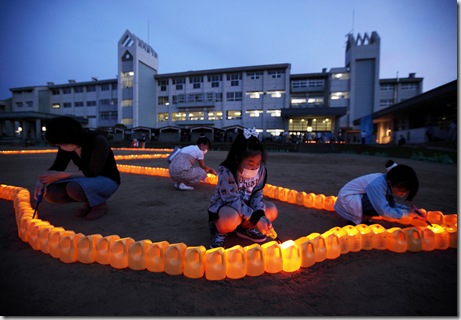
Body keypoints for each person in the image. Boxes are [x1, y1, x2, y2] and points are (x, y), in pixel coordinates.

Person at [33, 116, 121, 220]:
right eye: (58, 144)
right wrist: (41, 181)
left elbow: (93, 172)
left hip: (107, 179)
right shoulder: (66, 146)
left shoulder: (97, 141)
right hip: (86, 179)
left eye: (62, 143)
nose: (61, 147)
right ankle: (89, 203)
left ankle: (99, 205)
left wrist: (61, 176)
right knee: (51, 193)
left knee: (74, 188)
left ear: (71, 137)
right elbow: (58, 166)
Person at [207, 127, 279, 248]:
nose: (255, 167)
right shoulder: (227, 170)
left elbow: (257, 194)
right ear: (238, 158)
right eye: (250, 164)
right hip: (227, 208)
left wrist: (260, 216)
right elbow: (232, 200)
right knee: (231, 218)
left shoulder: (261, 171)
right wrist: (256, 220)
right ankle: (219, 230)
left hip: (247, 209)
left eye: (258, 163)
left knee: (271, 210)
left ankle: (244, 229)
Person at [334, 160, 424, 225]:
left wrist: (409, 210)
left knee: (386, 201)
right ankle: (357, 221)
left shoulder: (387, 183)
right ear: (391, 182)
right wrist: (407, 213)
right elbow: (384, 211)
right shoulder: (377, 185)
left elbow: (392, 204)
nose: (403, 194)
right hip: (347, 201)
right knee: (377, 204)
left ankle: (363, 219)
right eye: (402, 191)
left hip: (358, 198)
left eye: (406, 192)